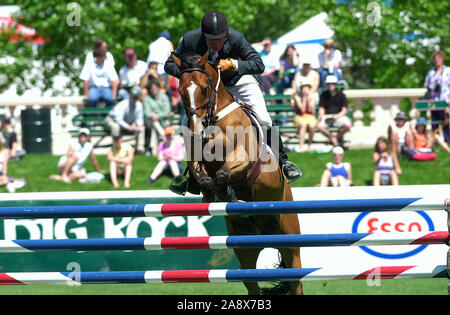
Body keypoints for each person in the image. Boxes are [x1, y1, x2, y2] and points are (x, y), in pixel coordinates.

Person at [164, 10, 302, 194]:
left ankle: (284, 162)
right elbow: (169, 64)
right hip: (207, 87)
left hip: (238, 82)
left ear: (226, 33)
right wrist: (193, 72)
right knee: (186, 123)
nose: (215, 44)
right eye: (211, 40)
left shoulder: (236, 38)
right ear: (203, 35)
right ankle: (192, 175)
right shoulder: (190, 39)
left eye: (219, 39)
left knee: (264, 118)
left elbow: (259, 65)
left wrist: (234, 63)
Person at [316, 75, 352, 146]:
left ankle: (334, 139)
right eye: (329, 84)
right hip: (327, 116)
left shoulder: (341, 95)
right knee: (319, 126)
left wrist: (337, 116)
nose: (330, 85)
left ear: (335, 84)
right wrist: (321, 115)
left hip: (338, 116)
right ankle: (333, 139)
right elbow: (321, 108)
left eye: (332, 83)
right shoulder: (324, 95)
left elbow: (344, 110)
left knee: (348, 125)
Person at [106, 86, 144, 150]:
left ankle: (139, 149)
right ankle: (115, 148)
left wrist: (139, 125)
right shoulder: (123, 104)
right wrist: (128, 127)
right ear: (130, 96)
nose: (134, 99)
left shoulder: (139, 105)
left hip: (127, 123)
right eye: (133, 97)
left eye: (136, 97)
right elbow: (118, 119)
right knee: (116, 127)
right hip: (111, 120)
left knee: (141, 128)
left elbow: (139, 119)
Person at [424, 50, 450, 143]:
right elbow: (427, 86)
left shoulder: (448, 70)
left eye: (439, 58)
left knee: (445, 121)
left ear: (442, 59)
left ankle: (447, 140)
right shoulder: (431, 72)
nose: (437, 60)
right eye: (435, 59)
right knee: (434, 122)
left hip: (445, 100)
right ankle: (436, 141)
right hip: (433, 101)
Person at [143, 78, 171, 156]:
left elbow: (167, 111)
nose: (153, 89)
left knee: (154, 128)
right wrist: (152, 115)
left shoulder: (164, 97)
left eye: (155, 87)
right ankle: (164, 137)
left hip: (163, 120)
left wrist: (158, 116)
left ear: (158, 88)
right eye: (151, 88)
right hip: (150, 121)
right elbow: (146, 112)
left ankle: (153, 149)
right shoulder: (147, 99)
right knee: (154, 123)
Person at [292, 78, 317, 152]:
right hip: (300, 116)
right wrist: (305, 98)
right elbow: (302, 110)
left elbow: (310, 110)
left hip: (310, 116)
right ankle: (301, 146)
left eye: (307, 87)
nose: (305, 89)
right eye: (304, 87)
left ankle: (309, 145)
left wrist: (308, 98)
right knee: (303, 125)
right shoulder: (297, 97)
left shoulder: (313, 97)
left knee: (312, 126)